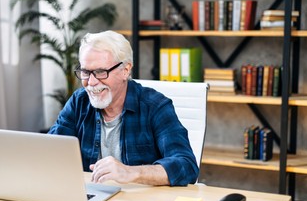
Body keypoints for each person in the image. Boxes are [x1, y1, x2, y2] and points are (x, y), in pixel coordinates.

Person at [48, 30, 199, 186]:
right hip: (91, 198)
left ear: (125, 70)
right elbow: (49, 151)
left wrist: (130, 172)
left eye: (100, 72)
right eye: (86, 72)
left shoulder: (155, 106)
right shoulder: (79, 102)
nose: (91, 82)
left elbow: (186, 166)